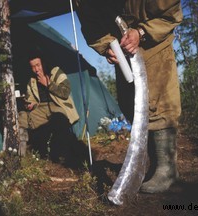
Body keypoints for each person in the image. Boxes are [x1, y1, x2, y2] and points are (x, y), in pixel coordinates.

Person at [75, 0, 183, 193]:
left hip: (155, 44)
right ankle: (153, 165)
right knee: (131, 105)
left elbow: (171, 14)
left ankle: (167, 169)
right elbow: (91, 24)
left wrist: (141, 32)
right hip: (123, 50)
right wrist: (107, 46)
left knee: (159, 103)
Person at [18, 51, 80, 163]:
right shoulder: (32, 80)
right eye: (33, 67)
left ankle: (63, 154)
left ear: (43, 63)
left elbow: (65, 93)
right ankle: (22, 154)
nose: (36, 69)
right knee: (22, 117)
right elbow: (31, 98)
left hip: (58, 105)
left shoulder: (55, 72)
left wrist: (48, 84)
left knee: (59, 119)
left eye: (38, 65)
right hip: (41, 107)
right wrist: (30, 104)